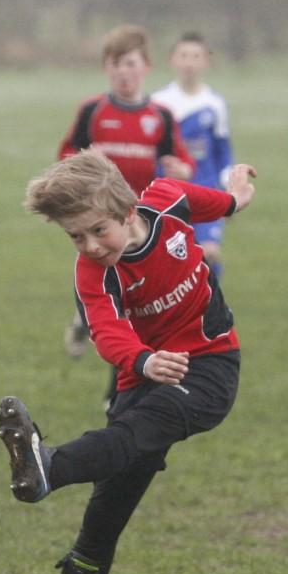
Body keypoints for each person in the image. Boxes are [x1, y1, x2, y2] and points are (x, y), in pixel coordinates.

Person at [0, 148, 257, 574]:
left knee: (142, 430)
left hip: (207, 367)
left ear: (126, 206)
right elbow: (107, 332)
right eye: (75, 238)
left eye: (97, 231)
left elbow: (219, 204)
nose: (89, 246)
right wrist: (140, 362)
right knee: (101, 524)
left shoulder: (169, 201)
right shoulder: (92, 273)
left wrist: (236, 192)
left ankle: (49, 466)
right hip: (141, 379)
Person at [58, 25, 194, 359]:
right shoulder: (93, 112)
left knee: (135, 302)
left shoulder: (159, 117)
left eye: (131, 63)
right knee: (113, 294)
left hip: (139, 220)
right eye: (116, 64)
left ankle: (95, 335)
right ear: (106, 68)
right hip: (100, 220)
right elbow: (66, 156)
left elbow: (182, 159)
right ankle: (93, 329)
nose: (124, 72)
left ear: (146, 67)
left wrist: (184, 169)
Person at [152, 32, 234, 277]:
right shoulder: (159, 103)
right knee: (173, 259)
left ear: (206, 62)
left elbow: (223, 150)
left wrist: (228, 188)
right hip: (169, 194)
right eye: (184, 56)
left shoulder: (214, 104)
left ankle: (212, 310)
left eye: (196, 56)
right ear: (172, 60)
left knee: (208, 252)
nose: (189, 62)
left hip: (206, 189)